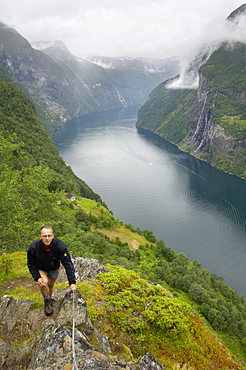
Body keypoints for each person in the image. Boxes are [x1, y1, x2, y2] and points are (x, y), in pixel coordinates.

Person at [27, 225, 77, 316]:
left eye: (49, 236)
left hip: (54, 268)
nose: (47, 238)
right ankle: (47, 301)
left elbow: (68, 264)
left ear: (53, 236)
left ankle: (49, 297)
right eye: (44, 236)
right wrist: (37, 278)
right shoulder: (33, 248)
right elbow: (31, 264)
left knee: (50, 285)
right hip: (41, 268)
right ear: (40, 236)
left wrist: (72, 282)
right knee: (43, 284)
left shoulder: (60, 246)